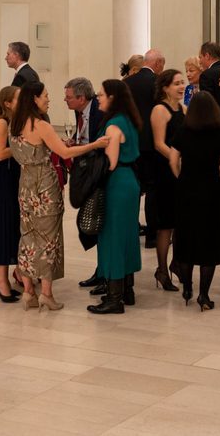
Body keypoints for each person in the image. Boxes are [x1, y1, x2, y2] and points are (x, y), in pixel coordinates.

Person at [9, 82, 109, 311]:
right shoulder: (41, 125)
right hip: (44, 186)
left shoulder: (14, 125)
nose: (48, 99)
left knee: (27, 236)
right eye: (45, 95)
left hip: (25, 185)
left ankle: (27, 293)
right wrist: (93, 144)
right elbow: (64, 153)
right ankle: (46, 293)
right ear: (34, 99)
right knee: (48, 239)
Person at [169, 93, 220, 311]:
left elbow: (173, 160)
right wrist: (214, 175)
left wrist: (182, 176)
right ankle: (204, 295)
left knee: (185, 239)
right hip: (211, 191)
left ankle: (187, 288)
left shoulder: (183, 132)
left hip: (186, 190)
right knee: (209, 242)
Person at [87, 79, 144, 314]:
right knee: (127, 235)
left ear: (112, 97)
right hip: (129, 181)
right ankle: (127, 290)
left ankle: (114, 297)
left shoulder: (113, 126)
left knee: (112, 238)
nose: (98, 98)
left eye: (101, 95)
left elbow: (109, 164)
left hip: (116, 183)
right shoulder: (128, 120)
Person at [63, 78, 106, 290]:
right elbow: (84, 134)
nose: (65, 100)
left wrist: (83, 146)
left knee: (96, 222)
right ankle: (101, 270)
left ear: (82, 98)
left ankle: (105, 272)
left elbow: (101, 143)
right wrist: (75, 142)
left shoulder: (100, 111)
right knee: (89, 221)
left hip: (98, 172)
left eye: (69, 97)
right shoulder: (80, 111)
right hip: (85, 168)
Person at [147, 68, 186, 291]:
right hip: (165, 172)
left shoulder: (182, 108)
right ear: (165, 87)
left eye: (182, 83)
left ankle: (177, 263)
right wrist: (176, 159)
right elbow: (159, 143)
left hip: (179, 171)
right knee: (166, 225)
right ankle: (162, 269)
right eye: (176, 83)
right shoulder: (159, 110)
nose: (181, 86)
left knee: (180, 221)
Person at [126, 49, 164, 248]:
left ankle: (131, 230)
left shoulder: (127, 83)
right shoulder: (157, 83)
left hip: (131, 143)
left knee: (134, 189)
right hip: (151, 143)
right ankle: (151, 235)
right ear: (158, 64)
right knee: (152, 189)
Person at [0, 86, 23, 303]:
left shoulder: (12, 121)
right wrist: (22, 145)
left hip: (13, 178)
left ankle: (6, 278)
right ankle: (0, 280)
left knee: (12, 227)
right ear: (7, 103)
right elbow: (1, 154)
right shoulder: (1, 123)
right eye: (19, 99)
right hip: (3, 179)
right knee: (3, 227)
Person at [198, 41, 220, 119]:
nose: (200, 62)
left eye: (200, 57)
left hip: (216, 123)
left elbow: (206, 106)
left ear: (207, 56)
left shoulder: (206, 75)